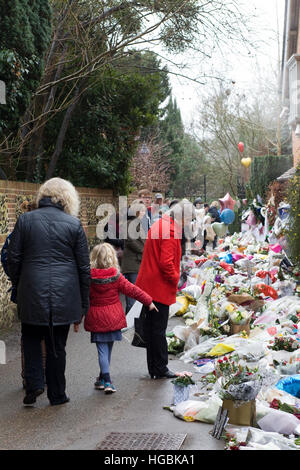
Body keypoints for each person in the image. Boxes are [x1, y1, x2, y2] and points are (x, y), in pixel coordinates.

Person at [8, 177, 91, 406]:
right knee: (57, 346)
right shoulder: (73, 225)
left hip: (32, 290)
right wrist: (84, 304)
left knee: (32, 338)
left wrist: (21, 282)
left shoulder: (25, 220)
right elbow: (84, 268)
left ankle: (35, 383)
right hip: (64, 296)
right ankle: (57, 394)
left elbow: (13, 258)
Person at [83, 243, 157, 393]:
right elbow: (133, 290)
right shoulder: (116, 277)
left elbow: (82, 298)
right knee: (107, 348)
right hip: (113, 317)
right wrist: (148, 301)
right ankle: (104, 378)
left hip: (97, 317)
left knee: (102, 350)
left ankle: (106, 380)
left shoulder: (88, 278)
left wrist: (77, 317)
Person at [136, 199, 195, 379]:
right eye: (189, 220)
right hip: (158, 286)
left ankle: (154, 367)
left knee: (152, 329)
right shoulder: (170, 231)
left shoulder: (160, 224)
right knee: (158, 330)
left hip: (149, 284)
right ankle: (160, 368)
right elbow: (166, 263)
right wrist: (176, 279)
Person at [121, 200, 147, 314]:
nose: (143, 213)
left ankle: (133, 323)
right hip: (132, 264)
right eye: (141, 211)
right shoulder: (130, 224)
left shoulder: (137, 223)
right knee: (132, 297)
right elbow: (131, 241)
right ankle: (129, 325)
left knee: (136, 295)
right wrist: (144, 250)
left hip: (137, 263)